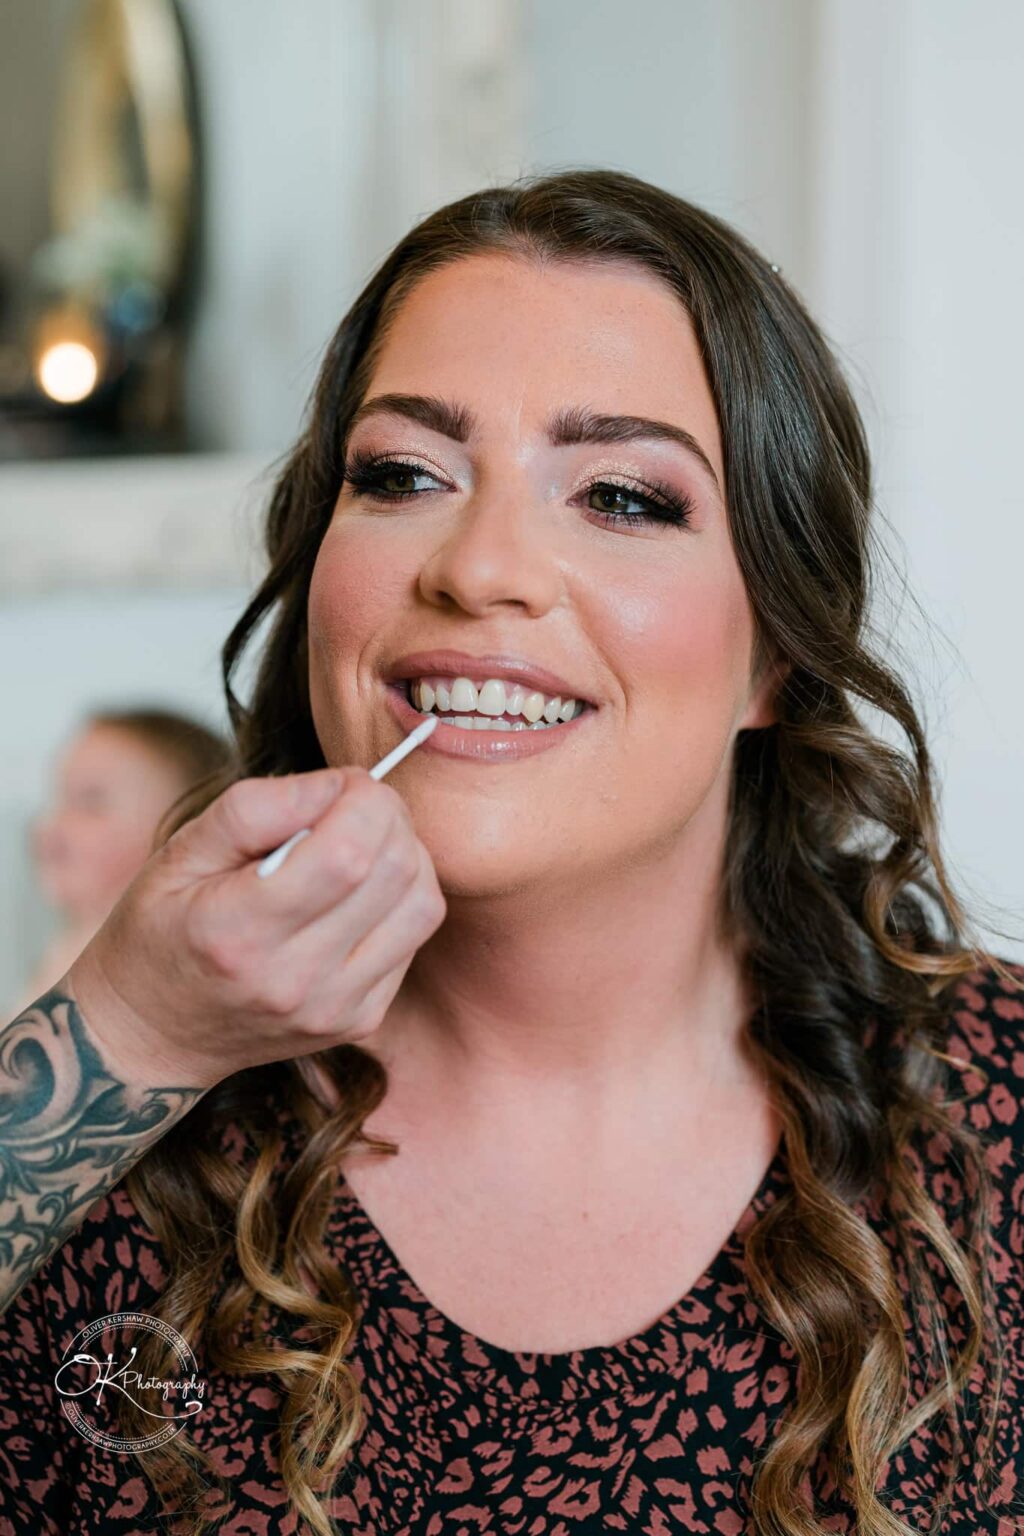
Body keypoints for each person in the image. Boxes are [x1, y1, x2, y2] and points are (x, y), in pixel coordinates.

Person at [0, 168, 1021, 1536]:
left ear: (776, 649)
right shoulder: (119, 1164)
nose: (479, 568)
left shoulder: (994, 1118)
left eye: (621, 497)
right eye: (405, 475)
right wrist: (128, 1029)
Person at [10, 707, 231, 1018]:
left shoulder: (153, 968)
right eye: (58, 799)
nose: (50, 825)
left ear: (180, 835)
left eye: (91, 804)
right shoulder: (66, 946)